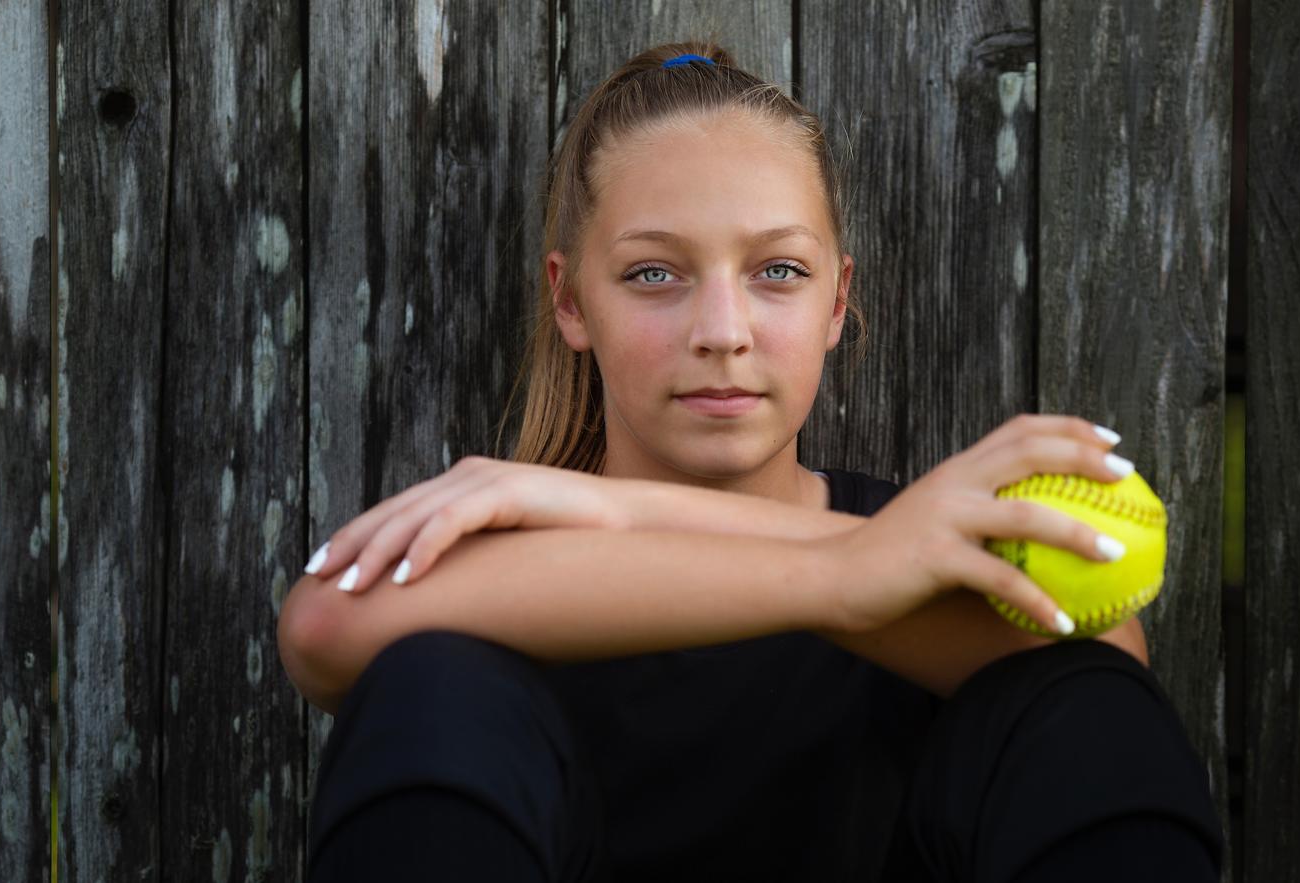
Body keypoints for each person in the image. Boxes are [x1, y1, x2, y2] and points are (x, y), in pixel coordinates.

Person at [277, 41, 1224, 882]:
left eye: (778, 271)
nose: (722, 333)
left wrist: (645, 513)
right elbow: (324, 625)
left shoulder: (906, 553)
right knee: (437, 685)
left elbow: (1110, 661)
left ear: (837, 299)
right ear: (571, 302)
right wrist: (846, 569)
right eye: (655, 273)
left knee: (1082, 710)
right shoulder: (504, 551)